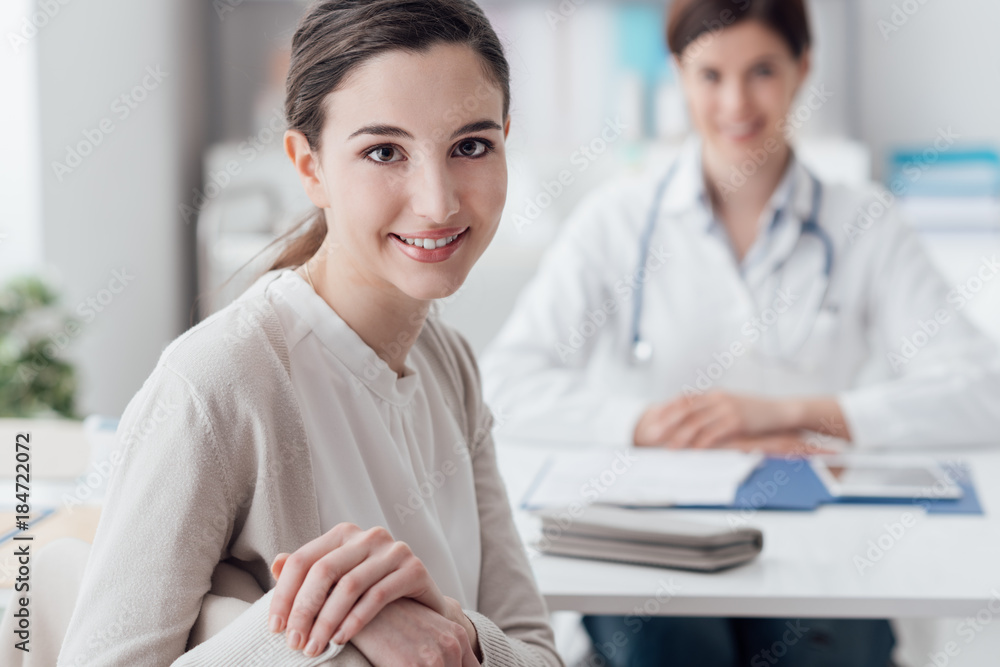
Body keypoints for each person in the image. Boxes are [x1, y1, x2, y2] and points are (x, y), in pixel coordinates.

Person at [480, 0, 1000, 665]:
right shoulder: (616, 221)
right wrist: (645, 423)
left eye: (762, 71)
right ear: (678, 73)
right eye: (711, 75)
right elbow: (506, 382)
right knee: (671, 646)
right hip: (657, 543)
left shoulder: (865, 222)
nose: (736, 103)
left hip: (821, 543)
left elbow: (982, 388)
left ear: (803, 68)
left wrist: (798, 413)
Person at [53, 1, 563, 665]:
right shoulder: (217, 384)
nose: (437, 201)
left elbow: (538, 651)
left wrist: (461, 634)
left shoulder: (449, 361)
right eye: (384, 152)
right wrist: (319, 625)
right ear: (308, 165)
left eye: (470, 146)